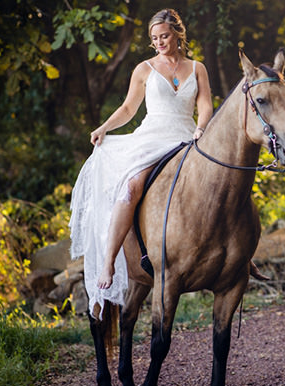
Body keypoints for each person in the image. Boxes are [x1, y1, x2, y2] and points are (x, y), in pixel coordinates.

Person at [69, 9, 212, 318]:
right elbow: (128, 108)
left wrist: (201, 129)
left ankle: (236, 255)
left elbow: (205, 105)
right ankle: (108, 260)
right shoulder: (144, 69)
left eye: (164, 36)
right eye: (154, 38)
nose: (159, 42)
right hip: (152, 139)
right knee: (132, 187)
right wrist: (104, 127)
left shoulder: (197, 68)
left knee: (217, 183)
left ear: (177, 34)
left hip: (187, 138)